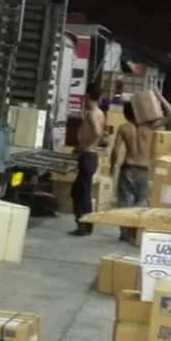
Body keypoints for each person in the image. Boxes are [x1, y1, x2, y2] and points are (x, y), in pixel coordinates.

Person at [111, 89, 171, 243]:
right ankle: (135, 232)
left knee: (124, 201)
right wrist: (159, 96)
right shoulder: (150, 127)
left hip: (127, 167)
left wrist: (113, 166)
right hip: (143, 169)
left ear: (126, 114)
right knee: (141, 202)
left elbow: (115, 150)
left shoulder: (123, 128)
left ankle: (124, 233)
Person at [70, 88, 105, 236]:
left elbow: (97, 132)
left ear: (88, 96)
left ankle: (84, 225)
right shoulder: (99, 113)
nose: (83, 100)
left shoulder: (92, 114)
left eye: (84, 97)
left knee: (82, 193)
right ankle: (84, 224)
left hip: (88, 155)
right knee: (79, 191)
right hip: (89, 155)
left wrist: (84, 146)